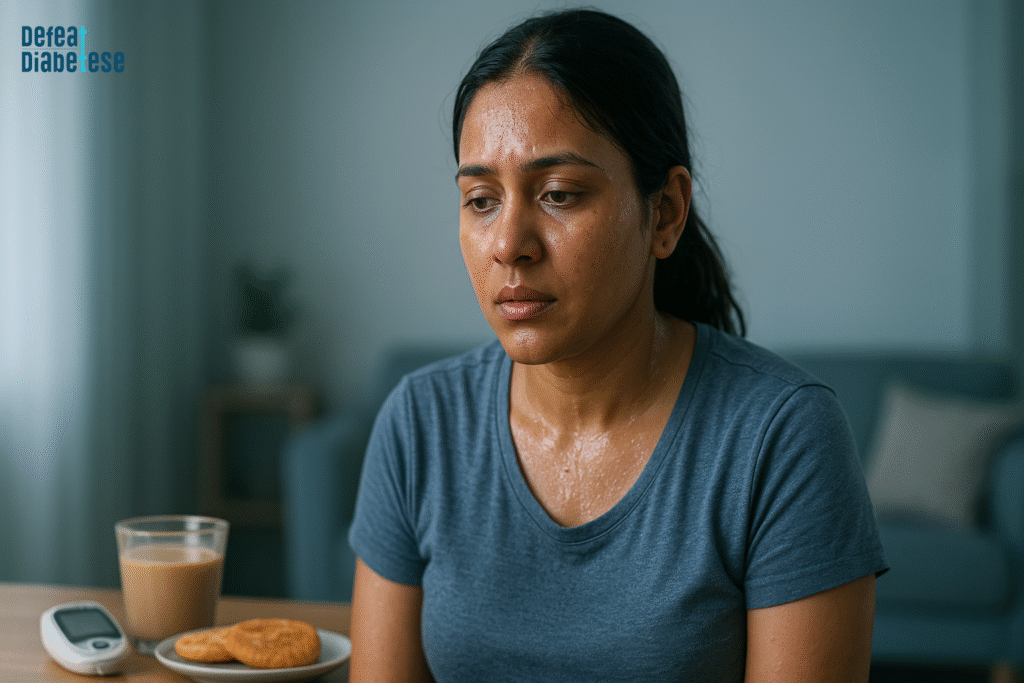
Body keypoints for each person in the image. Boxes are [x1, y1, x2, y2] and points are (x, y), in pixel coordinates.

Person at [348, 8, 887, 682]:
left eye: (559, 193)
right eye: (481, 199)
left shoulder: (782, 437)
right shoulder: (419, 424)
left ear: (663, 213)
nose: (509, 244)